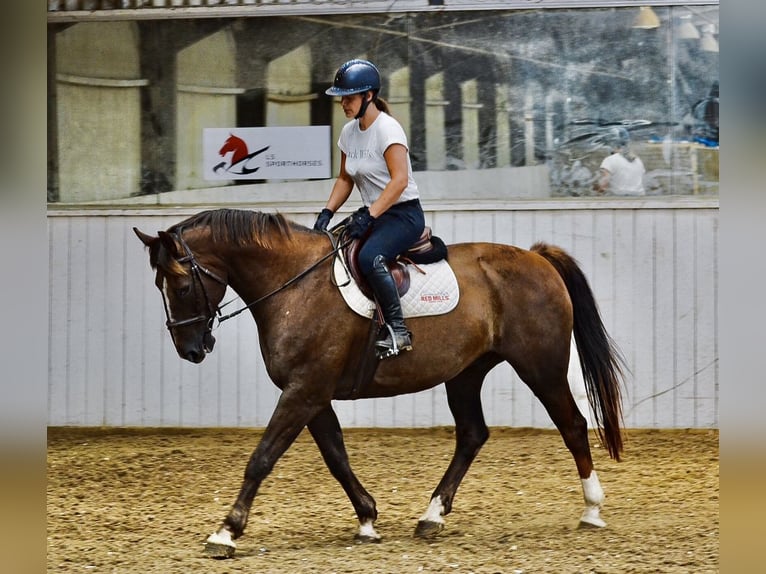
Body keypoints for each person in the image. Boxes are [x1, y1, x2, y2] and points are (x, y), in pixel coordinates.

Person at [313, 59, 425, 358]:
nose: (343, 103)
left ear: (369, 96)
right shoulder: (349, 133)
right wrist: (326, 214)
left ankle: (398, 331)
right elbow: (344, 178)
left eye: (349, 97)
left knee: (370, 258)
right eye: (342, 98)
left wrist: (370, 214)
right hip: (373, 213)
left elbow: (400, 181)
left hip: (403, 215)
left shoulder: (388, 130)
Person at [593, 127, 646, 196]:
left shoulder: (610, 160)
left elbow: (605, 182)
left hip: (620, 201)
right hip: (640, 200)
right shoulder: (637, 160)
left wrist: (596, 187)